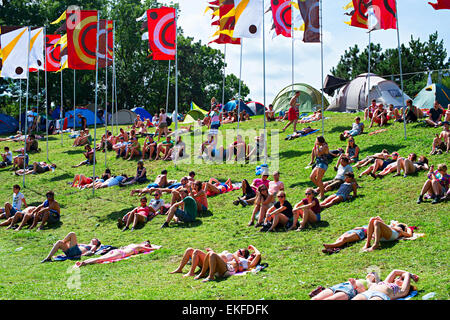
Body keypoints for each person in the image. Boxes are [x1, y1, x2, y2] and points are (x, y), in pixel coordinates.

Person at [193, 245, 261, 282]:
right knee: (209, 254)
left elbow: (258, 255)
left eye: (252, 256)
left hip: (229, 270)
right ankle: (202, 274)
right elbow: (233, 255)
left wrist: (253, 247)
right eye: (251, 255)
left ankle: (211, 277)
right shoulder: (243, 259)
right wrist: (237, 260)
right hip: (226, 267)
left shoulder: (249, 263)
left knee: (212, 254)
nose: (251, 255)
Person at [74, 241, 155, 267]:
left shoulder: (133, 244)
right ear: (143, 243)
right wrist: (156, 247)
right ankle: (83, 263)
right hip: (121, 253)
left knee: (102, 258)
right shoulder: (139, 246)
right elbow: (150, 249)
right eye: (147, 244)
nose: (147, 245)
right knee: (101, 259)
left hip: (117, 251)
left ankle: (83, 262)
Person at [352, 269, 419, 300]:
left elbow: (406, 274)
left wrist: (409, 275)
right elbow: (395, 271)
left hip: (380, 296)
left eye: (401, 279)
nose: (397, 279)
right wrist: (412, 274)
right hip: (368, 293)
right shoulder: (386, 282)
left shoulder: (401, 290)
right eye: (398, 278)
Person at [311, 274, 377, 300]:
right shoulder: (360, 279)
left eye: (373, 275)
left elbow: (365, 294)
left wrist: (355, 286)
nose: (370, 275)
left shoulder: (372, 284)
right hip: (341, 286)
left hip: (351, 290)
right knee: (315, 298)